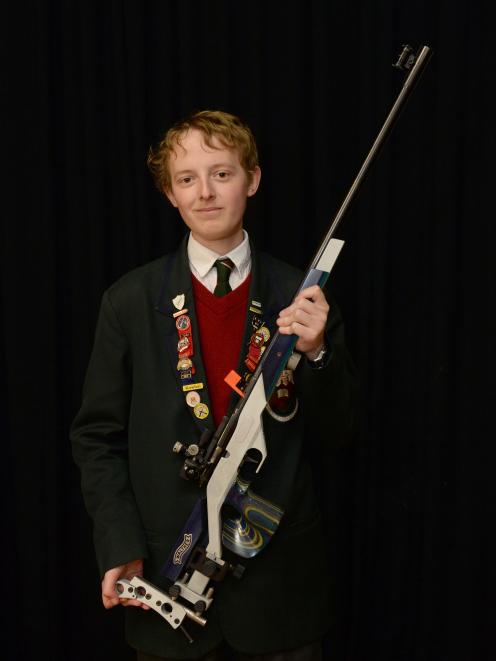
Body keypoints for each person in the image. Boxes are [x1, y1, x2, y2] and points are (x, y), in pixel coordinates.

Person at [70, 110, 357, 661]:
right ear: (169, 194)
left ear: (252, 179)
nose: (205, 192)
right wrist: (120, 546)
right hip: (163, 580)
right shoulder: (129, 301)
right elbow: (96, 439)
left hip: (280, 596)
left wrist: (319, 353)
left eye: (221, 174)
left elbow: (341, 432)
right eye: (187, 179)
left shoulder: (300, 295)